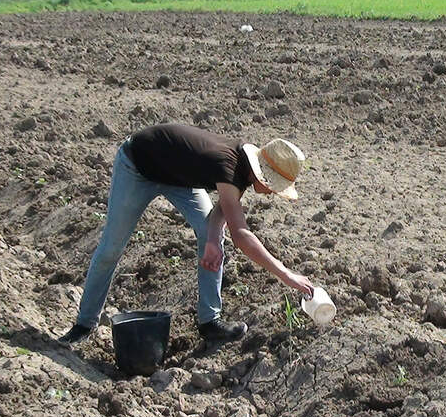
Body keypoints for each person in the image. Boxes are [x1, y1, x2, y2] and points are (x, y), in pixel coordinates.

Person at [58, 123, 315, 346]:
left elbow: (221, 212)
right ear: (262, 174)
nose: (271, 193)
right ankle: (84, 324)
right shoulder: (228, 166)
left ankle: (209, 322)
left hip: (178, 178)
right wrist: (286, 274)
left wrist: (213, 238)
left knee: (209, 234)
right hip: (137, 166)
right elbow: (241, 235)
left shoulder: (243, 170)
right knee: (111, 249)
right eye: (272, 187)